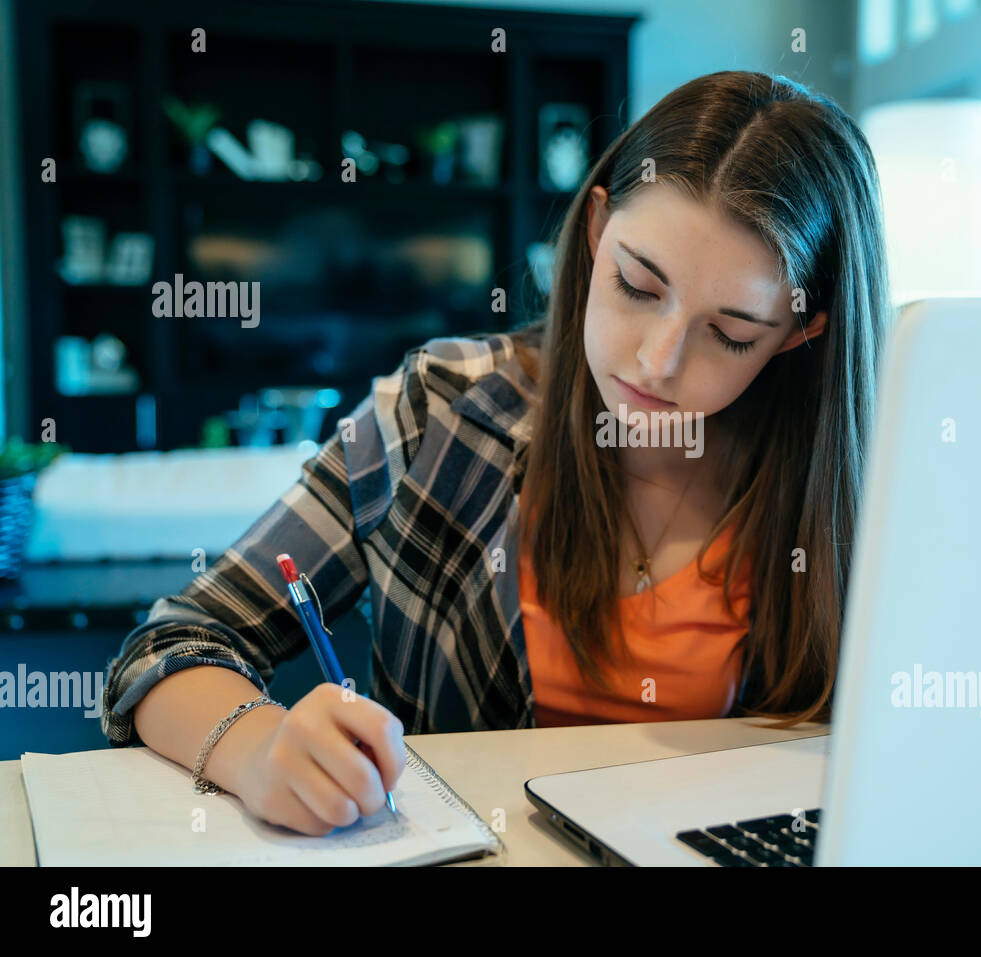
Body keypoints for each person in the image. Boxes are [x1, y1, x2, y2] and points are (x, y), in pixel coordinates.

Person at [100, 70, 893, 837]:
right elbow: (169, 645)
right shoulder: (444, 409)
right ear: (593, 231)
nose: (657, 361)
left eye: (729, 333)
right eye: (637, 286)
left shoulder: (863, 489)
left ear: (799, 331)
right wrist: (260, 750)